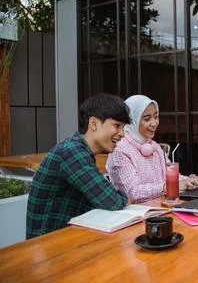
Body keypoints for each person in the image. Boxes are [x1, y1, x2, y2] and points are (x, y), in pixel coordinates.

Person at [26, 94, 132, 239]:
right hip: (47, 247)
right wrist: (125, 198)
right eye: (116, 126)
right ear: (94, 123)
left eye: (123, 127)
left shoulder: (79, 150)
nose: (122, 134)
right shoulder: (72, 152)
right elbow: (111, 201)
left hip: (67, 240)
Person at [106, 95, 198, 203]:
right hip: (137, 214)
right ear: (131, 121)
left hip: (162, 207)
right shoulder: (120, 149)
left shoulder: (154, 146)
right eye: (147, 119)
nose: (154, 123)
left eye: (156, 116)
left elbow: (172, 178)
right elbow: (133, 192)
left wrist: (194, 180)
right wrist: (167, 187)